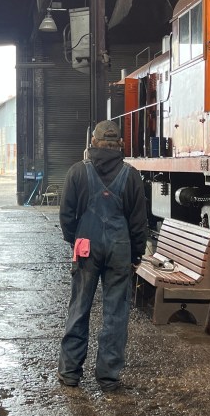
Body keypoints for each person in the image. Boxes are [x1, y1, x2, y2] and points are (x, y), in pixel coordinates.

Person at [58, 120, 148, 393]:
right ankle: (108, 377)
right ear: (120, 145)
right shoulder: (131, 175)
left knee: (79, 307)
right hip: (120, 249)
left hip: (86, 246)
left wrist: (75, 239)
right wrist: (136, 254)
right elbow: (138, 222)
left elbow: (66, 215)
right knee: (116, 313)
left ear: (93, 143)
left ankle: (70, 372)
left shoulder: (77, 172)